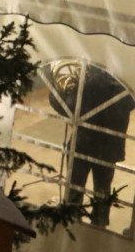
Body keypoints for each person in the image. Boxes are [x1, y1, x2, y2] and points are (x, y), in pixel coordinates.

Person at [50, 65, 134, 228]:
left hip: (83, 144)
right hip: (110, 148)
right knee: (102, 191)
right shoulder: (126, 85)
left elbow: (67, 107)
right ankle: (100, 226)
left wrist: (56, 91)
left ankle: (72, 223)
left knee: (75, 188)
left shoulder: (89, 82)